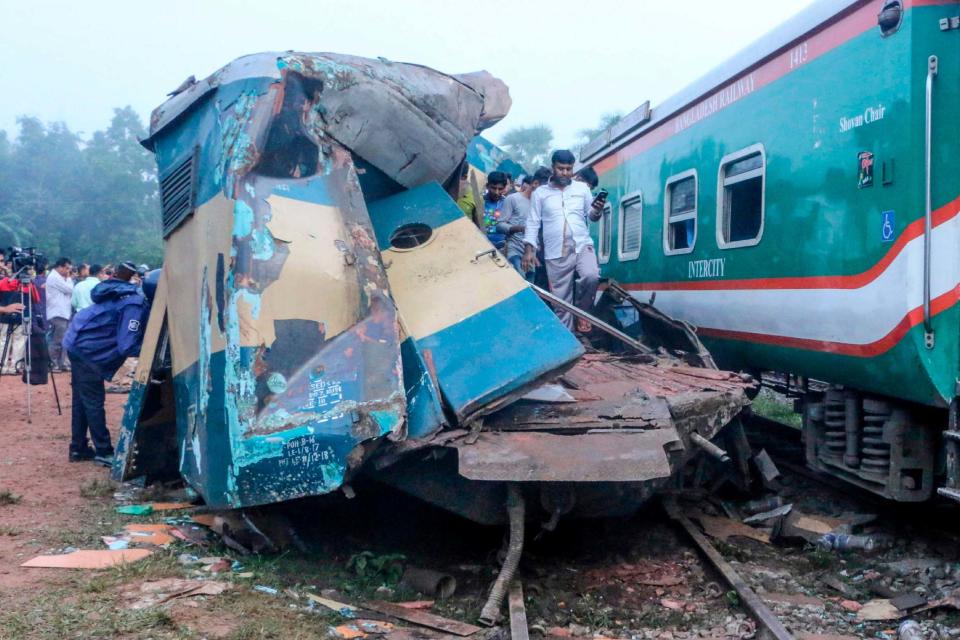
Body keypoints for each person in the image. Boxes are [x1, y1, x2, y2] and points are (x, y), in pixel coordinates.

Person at [63, 262, 152, 466]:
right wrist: (150, 350)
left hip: (78, 341)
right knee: (93, 401)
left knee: (82, 400)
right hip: (88, 350)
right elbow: (127, 345)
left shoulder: (128, 295)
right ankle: (103, 450)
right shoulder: (135, 304)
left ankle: (78, 448)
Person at [522, 150, 603, 332]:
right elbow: (533, 222)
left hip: (582, 244)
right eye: (561, 169)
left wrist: (597, 210)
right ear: (553, 168)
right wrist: (529, 249)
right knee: (561, 303)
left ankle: (583, 314)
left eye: (569, 169)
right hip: (555, 251)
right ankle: (571, 345)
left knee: (591, 276)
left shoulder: (582, 189)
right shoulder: (540, 193)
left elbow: (591, 216)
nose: (565, 173)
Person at [498, 174, 541, 280]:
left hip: (531, 256)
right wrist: (518, 228)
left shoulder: (542, 206)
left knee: (529, 289)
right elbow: (499, 225)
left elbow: (538, 233)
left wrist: (536, 249)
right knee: (518, 279)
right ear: (535, 184)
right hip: (514, 250)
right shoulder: (513, 199)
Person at [45, 257, 74, 371]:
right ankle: (54, 364)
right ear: (60, 267)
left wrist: (67, 278)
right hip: (57, 313)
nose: (68, 271)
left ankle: (62, 364)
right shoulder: (54, 277)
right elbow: (70, 290)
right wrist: (69, 279)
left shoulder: (60, 278)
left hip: (63, 312)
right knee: (57, 340)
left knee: (63, 340)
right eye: (67, 268)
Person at [482, 171, 509, 249]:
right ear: (487, 186)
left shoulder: (507, 203)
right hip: (481, 242)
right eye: (494, 188)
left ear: (504, 188)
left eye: (500, 189)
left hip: (500, 247)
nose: (497, 192)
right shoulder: (480, 201)